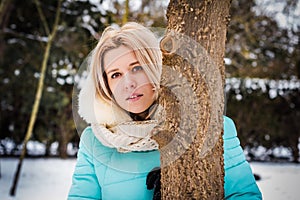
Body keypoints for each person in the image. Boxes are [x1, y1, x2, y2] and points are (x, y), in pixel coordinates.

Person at [68, 22, 262, 200]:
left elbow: (245, 196)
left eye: (137, 68)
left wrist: (182, 186)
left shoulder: (210, 128)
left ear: (157, 68)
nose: (128, 84)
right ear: (106, 86)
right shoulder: (94, 141)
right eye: (115, 74)